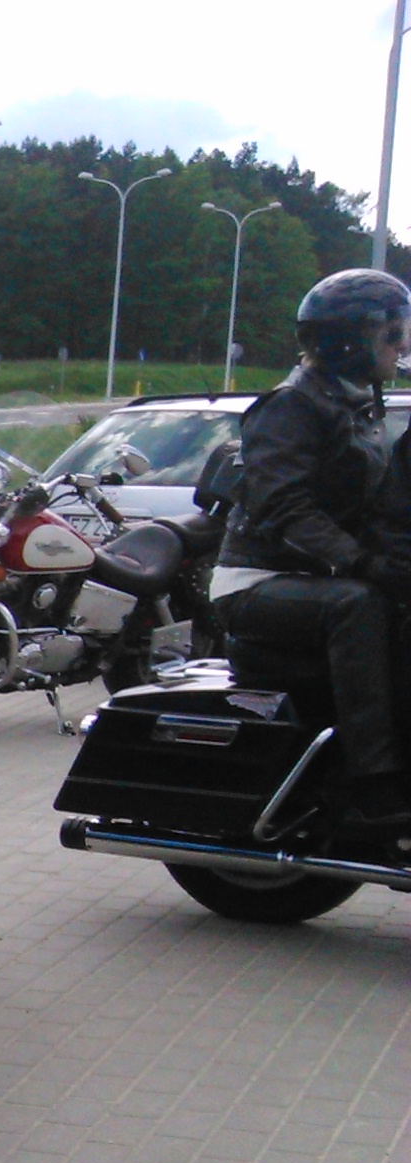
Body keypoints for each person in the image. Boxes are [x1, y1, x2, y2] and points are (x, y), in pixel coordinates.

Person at [211, 268, 411, 839]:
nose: (400, 347)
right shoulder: (291, 408)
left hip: (318, 573)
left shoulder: (358, 404)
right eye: (392, 334)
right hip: (256, 581)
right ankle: (374, 784)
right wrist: (363, 563)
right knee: (360, 604)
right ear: (351, 340)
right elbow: (284, 507)